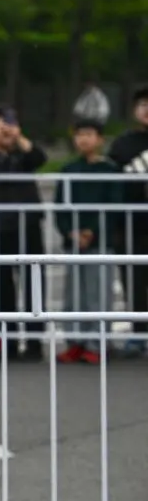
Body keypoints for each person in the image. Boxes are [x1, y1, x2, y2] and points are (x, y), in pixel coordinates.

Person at [0, 105, 48, 362]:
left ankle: (35, 342)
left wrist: (19, 138)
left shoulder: (23, 156)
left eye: (9, 125)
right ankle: (9, 343)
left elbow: (40, 158)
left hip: (28, 225)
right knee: (3, 287)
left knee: (33, 283)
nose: (5, 131)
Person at [55, 119, 119, 365]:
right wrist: (70, 232)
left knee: (98, 294)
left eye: (89, 134)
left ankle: (97, 342)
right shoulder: (69, 169)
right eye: (79, 134)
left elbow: (114, 206)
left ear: (100, 139)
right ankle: (74, 341)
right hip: (73, 243)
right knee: (73, 295)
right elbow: (60, 206)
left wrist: (91, 231)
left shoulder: (110, 170)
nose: (84, 139)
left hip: (100, 242)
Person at [105, 86, 148, 356]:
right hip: (132, 225)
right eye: (142, 104)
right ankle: (139, 334)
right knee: (134, 281)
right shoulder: (123, 144)